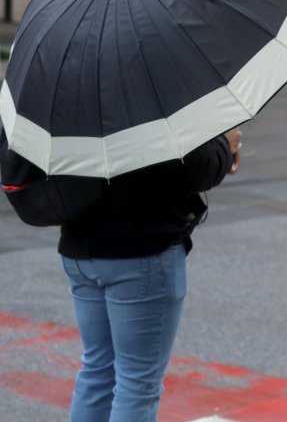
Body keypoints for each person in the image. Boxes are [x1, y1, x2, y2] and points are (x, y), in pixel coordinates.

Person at [3, 128, 241, 422]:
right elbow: (192, 167)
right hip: (141, 247)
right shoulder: (142, 86)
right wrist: (223, 146)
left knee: (97, 370)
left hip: (80, 246)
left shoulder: (63, 88)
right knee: (137, 384)